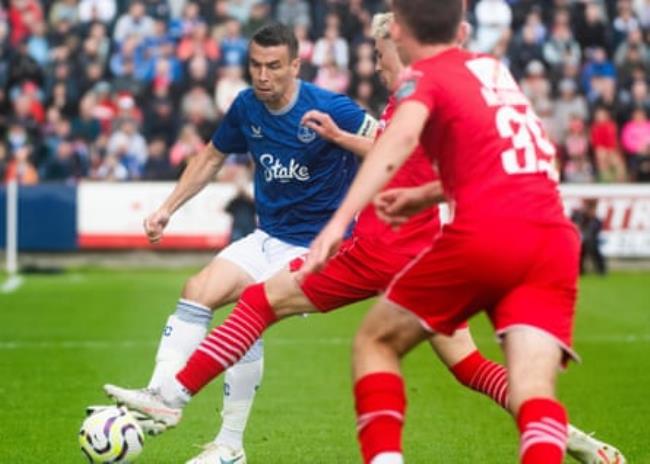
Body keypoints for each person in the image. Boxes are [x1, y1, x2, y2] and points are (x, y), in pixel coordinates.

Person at [105, 13, 625, 464]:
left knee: (263, 304)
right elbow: (459, 167)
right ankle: (570, 439)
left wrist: (336, 223)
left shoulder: (412, 100)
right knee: (468, 366)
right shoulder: (472, 85)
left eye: (381, 57)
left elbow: (387, 156)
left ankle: (174, 399)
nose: (376, 68)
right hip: (439, 251)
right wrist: (415, 190)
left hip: (378, 249)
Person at [103, 22, 377, 464]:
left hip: (319, 244)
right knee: (197, 290)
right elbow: (212, 155)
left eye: (273, 66)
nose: (263, 75)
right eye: (255, 65)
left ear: (295, 65)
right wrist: (167, 207)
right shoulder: (246, 106)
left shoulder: (332, 107)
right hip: (269, 234)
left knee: (251, 309)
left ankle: (225, 439)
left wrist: (344, 143)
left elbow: (387, 144)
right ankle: (163, 398)